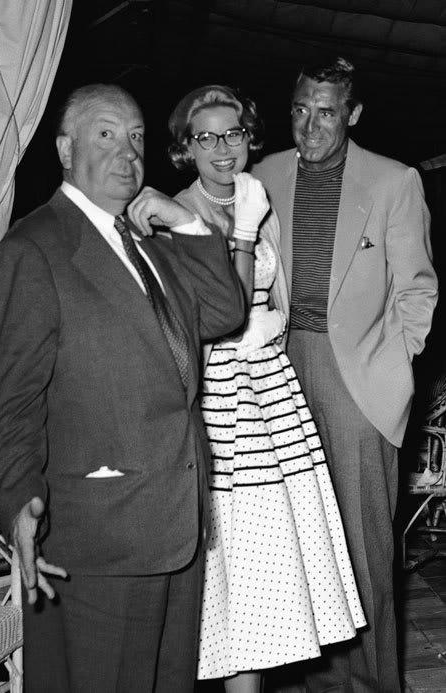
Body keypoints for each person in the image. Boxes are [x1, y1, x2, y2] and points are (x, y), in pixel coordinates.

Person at [0, 83, 246, 693]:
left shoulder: (149, 244)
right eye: (106, 134)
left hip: (176, 523)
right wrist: (18, 501)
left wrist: (190, 223)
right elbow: (9, 404)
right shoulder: (32, 250)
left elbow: (225, 311)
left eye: (137, 137)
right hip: (97, 536)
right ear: (66, 150)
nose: (127, 151)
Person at [168, 84, 366, 693]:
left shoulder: (259, 198)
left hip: (272, 388)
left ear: (249, 138)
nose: (222, 147)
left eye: (233, 133)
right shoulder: (178, 213)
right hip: (218, 395)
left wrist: (276, 327)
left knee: (266, 566)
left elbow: (279, 290)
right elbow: (195, 317)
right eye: (206, 137)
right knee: (227, 561)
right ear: (186, 148)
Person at [252, 57, 438, 692]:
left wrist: (395, 362)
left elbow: (417, 288)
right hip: (277, 363)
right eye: (301, 110)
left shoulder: (393, 181)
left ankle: (371, 685)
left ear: (352, 115)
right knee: (297, 542)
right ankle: (310, 681)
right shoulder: (263, 176)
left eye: (326, 112)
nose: (310, 127)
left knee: (362, 542)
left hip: (356, 374)